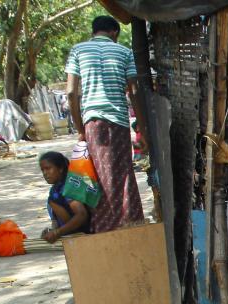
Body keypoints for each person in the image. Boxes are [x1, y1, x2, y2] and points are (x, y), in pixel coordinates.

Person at [66, 15, 148, 233]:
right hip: (119, 121)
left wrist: (80, 129)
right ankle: (129, 224)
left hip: (93, 121)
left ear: (94, 31)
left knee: (100, 176)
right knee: (123, 175)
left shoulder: (78, 50)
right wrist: (142, 127)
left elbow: (72, 92)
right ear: (114, 33)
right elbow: (134, 91)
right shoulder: (124, 52)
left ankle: (106, 227)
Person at [38, 151, 91, 242]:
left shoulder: (68, 187)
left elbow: (81, 215)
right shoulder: (55, 189)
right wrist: (53, 230)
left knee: (52, 201)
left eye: (48, 168)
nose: (45, 173)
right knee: (52, 200)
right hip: (69, 231)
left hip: (83, 232)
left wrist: (57, 232)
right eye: (43, 170)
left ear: (61, 168)